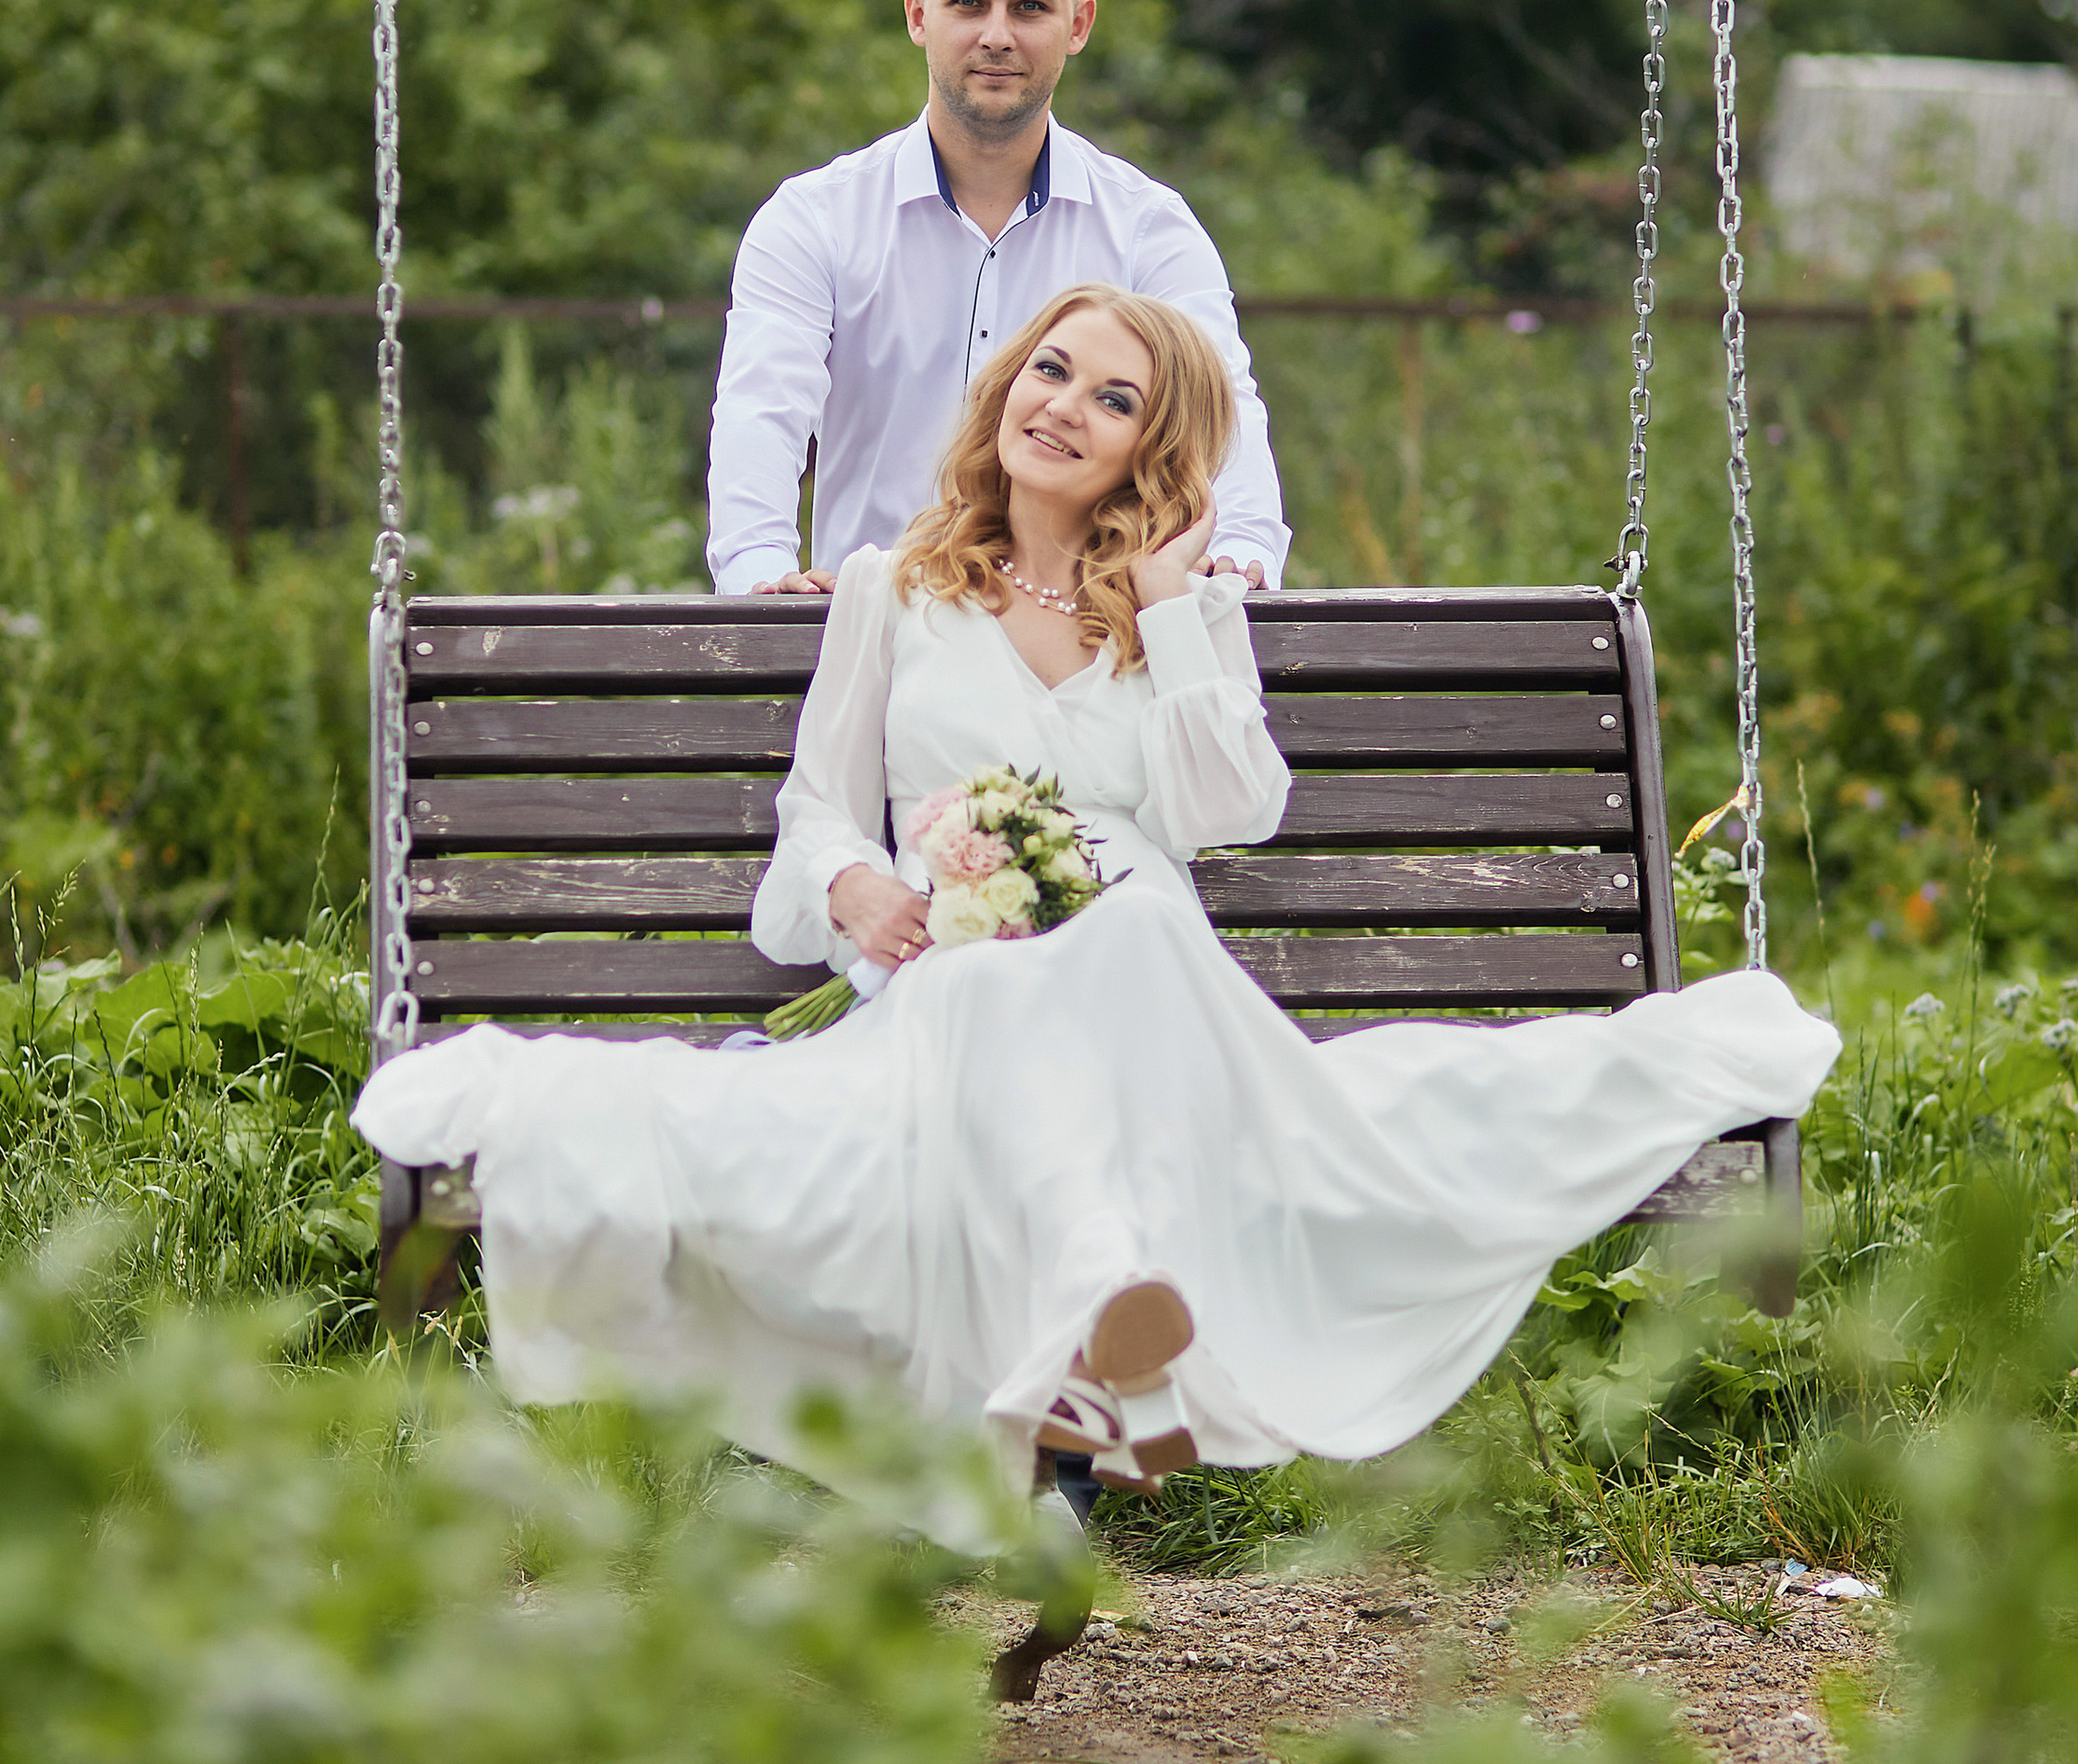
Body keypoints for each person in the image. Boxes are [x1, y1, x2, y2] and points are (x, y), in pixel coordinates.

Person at [356, 283, 1838, 1546]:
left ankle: (1056, 1414)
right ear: (1008, 385)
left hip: (1150, 993)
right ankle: (1088, 1356)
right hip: (953, 981)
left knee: (1122, 925)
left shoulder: (1179, 611)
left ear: (1152, 447)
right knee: (993, 989)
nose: (1063, 405)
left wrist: (1180, 608)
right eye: (1050, 370)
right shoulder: (892, 587)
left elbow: (1229, 807)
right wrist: (854, 883)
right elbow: (815, 815)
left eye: (1112, 398)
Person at [705, 0, 1289, 597]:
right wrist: (761, 581)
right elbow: (760, 411)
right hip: (874, 632)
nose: (997, 35)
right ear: (919, 15)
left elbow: (1221, 408)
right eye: (969, 2)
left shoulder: (1150, 229)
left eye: (1030, 7)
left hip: (1085, 637)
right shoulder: (812, 221)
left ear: (1079, 25)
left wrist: (1241, 551)